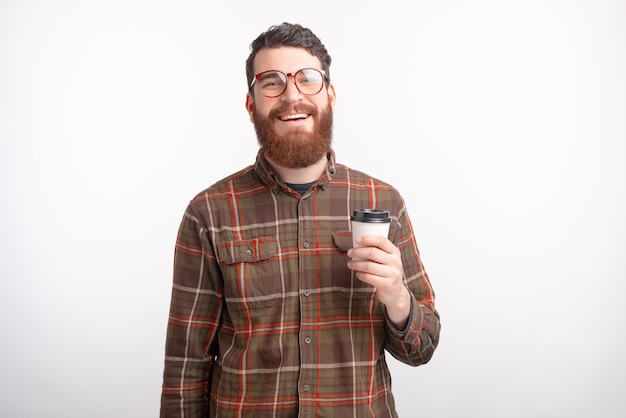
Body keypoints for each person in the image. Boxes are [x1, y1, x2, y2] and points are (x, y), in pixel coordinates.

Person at [160, 22, 440, 417]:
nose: (292, 96)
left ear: (330, 95)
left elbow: (422, 349)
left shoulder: (384, 203)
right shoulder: (209, 213)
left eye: (307, 79)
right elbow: (185, 366)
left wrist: (396, 297)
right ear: (251, 104)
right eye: (271, 82)